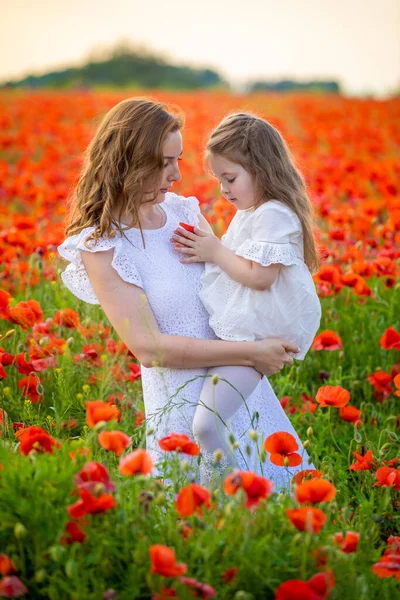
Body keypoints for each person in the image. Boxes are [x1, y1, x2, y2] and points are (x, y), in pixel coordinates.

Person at [58, 98, 313, 490]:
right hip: (183, 418)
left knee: (278, 530)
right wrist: (252, 353)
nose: (176, 175)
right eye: (164, 162)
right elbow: (149, 348)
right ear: (128, 160)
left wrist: (271, 334)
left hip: (241, 399)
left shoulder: (183, 212)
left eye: (176, 160)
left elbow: (237, 282)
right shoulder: (102, 246)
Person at [171, 113, 321, 482]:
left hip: (256, 339)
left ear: (262, 169)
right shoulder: (254, 212)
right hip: (245, 335)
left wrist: (214, 251)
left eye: (231, 178)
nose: (224, 188)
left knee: (207, 426)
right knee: (210, 423)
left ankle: (238, 500)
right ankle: (234, 496)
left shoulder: (274, 214)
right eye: (220, 179)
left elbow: (260, 277)